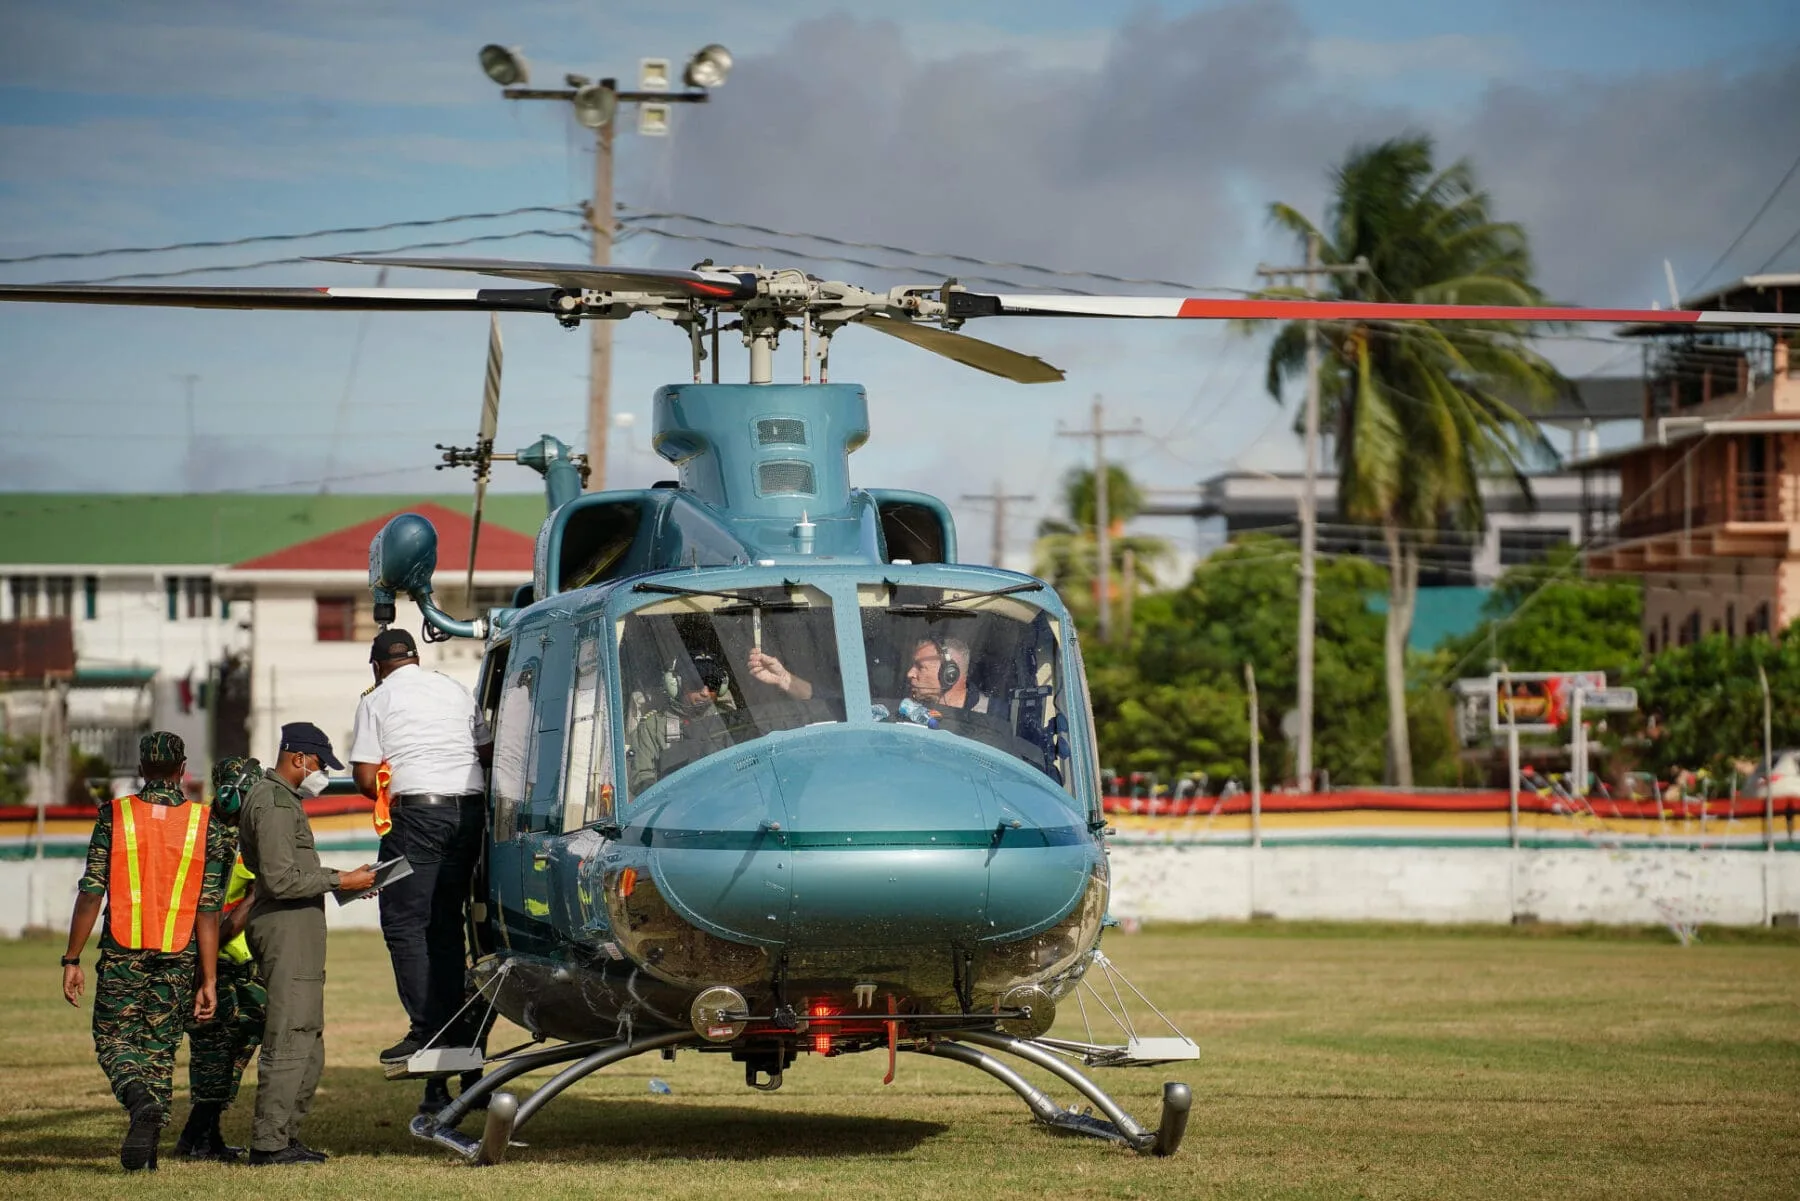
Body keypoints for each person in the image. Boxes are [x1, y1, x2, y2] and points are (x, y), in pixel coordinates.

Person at [60, 731, 233, 1172]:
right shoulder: (204, 822)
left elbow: (91, 890)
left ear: (141, 769)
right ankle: (146, 1155)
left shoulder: (114, 816)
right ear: (181, 770)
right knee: (159, 1048)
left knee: (113, 1038)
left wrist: (72, 958)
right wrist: (209, 979)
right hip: (180, 952)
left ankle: (139, 1102)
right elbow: (208, 909)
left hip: (122, 949)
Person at [348, 628, 492, 1111]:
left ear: (377, 667)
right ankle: (450, 1027)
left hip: (419, 814)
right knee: (445, 925)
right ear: (415, 657)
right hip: (470, 810)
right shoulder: (452, 688)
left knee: (405, 922)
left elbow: (367, 779)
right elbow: (486, 751)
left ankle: (426, 1031)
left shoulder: (377, 699)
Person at [238, 723, 376, 1167]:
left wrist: (346, 885)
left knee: (307, 1038)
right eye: (319, 765)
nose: (321, 774)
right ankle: (269, 1144)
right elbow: (278, 879)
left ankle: (284, 1137)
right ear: (298, 758)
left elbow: (291, 873)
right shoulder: (275, 801)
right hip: (285, 929)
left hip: (297, 928)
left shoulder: (283, 799)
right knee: (290, 1037)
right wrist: (340, 879)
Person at [175, 755, 268, 1163]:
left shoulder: (208, 832)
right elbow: (223, 919)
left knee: (231, 1049)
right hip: (222, 962)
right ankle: (193, 1139)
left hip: (233, 961)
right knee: (217, 1054)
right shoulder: (227, 841)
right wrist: (258, 893)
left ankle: (206, 1138)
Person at [750, 635, 991, 717]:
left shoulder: (992, 715)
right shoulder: (903, 708)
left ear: (950, 675)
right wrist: (784, 678)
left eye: (920, 667)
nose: (909, 674)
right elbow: (839, 703)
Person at [627, 652, 753, 792]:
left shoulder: (728, 718)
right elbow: (642, 779)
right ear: (677, 685)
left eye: (712, 685)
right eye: (696, 684)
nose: (705, 692)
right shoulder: (653, 727)